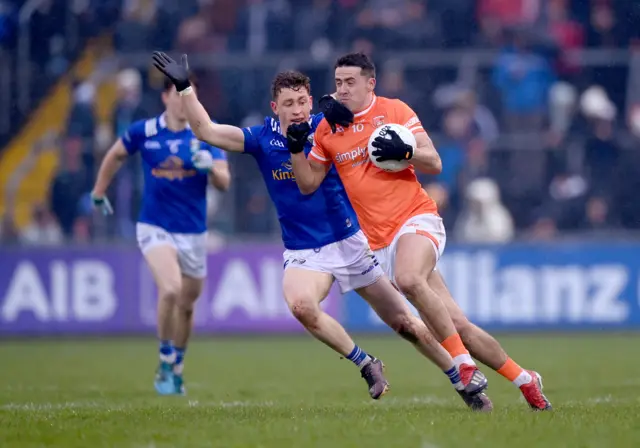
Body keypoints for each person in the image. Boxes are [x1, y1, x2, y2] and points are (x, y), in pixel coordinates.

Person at [152, 51, 490, 409]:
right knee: (301, 306)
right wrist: (185, 87)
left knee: (407, 324)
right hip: (305, 251)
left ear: (310, 102)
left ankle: (462, 382)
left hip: (353, 242)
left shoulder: (327, 125)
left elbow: (362, 117)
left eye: (302, 102)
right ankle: (366, 363)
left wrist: (343, 109)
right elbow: (205, 130)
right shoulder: (260, 139)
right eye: (288, 103)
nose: (297, 109)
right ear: (274, 107)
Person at [290, 52, 551, 411]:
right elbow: (307, 184)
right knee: (459, 325)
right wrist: (295, 147)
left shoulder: (394, 111)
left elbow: (435, 161)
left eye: (350, 82)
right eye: (338, 82)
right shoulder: (327, 129)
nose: (342, 89)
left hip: (416, 218)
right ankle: (525, 380)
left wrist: (406, 150)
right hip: (380, 241)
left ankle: (463, 366)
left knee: (410, 279)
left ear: (371, 83)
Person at [91, 74, 231, 396]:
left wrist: (210, 166)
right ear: (166, 98)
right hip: (154, 226)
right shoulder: (145, 131)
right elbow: (115, 154)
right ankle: (165, 358)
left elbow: (224, 182)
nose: (186, 102)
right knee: (170, 290)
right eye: (180, 95)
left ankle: (177, 367)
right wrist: (99, 190)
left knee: (187, 305)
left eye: (191, 96)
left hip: (194, 233)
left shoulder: (207, 133)